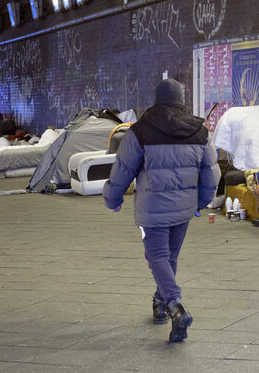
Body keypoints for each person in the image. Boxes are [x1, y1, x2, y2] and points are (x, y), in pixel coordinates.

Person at [103, 78, 220, 342]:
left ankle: (175, 306)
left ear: (157, 100)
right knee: (170, 258)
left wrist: (112, 199)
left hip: (153, 210)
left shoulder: (140, 130)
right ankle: (159, 302)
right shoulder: (200, 131)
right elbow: (211, 173)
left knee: (157, 257)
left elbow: (122, 169)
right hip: (184, 209)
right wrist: (201, 202)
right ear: (181, 101)